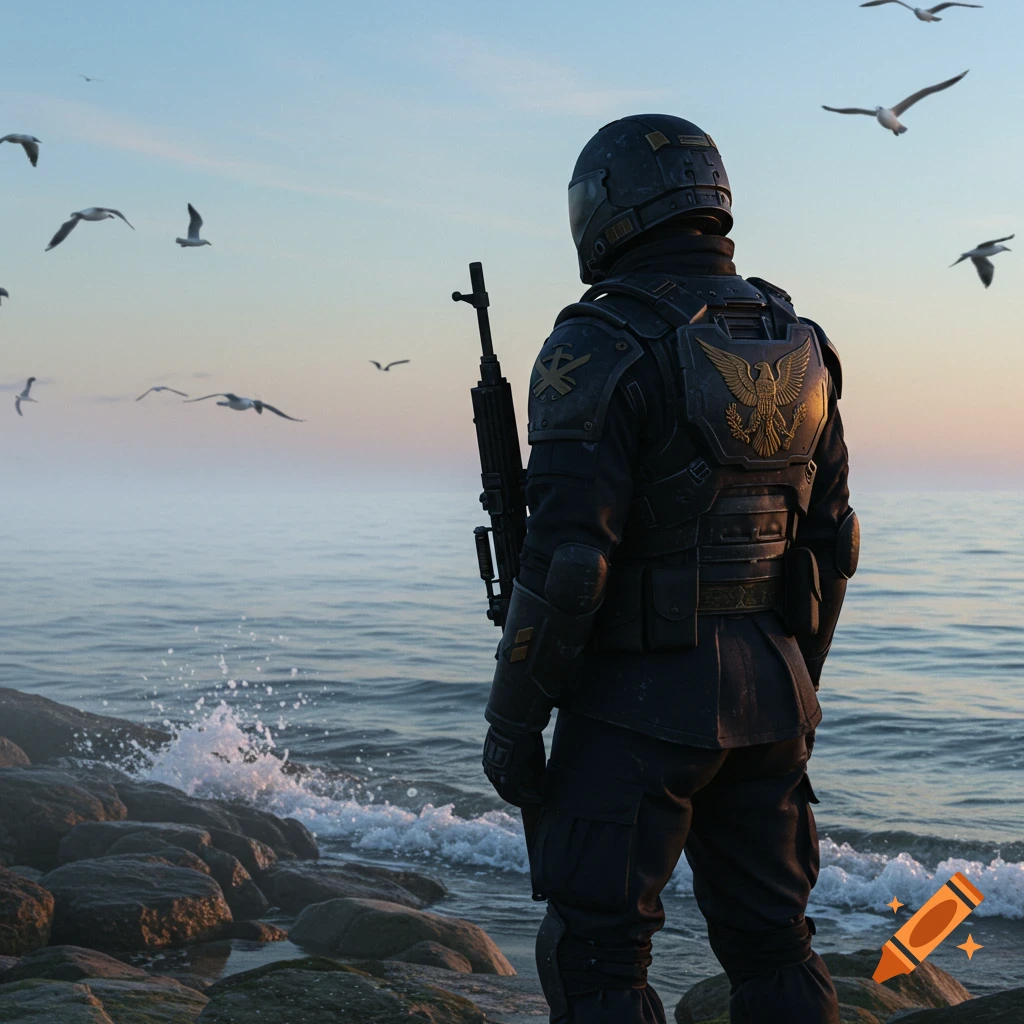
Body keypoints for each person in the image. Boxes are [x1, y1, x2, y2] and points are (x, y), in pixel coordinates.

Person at [480, 114, 859, 1024]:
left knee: (598, 956)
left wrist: (513, 721)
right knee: (775, 945)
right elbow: (834, 543)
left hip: (634, 708)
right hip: (774, 695)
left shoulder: (597, 342)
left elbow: (569, 565)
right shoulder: (800, 341)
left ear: (611, 209)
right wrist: (799, 676)